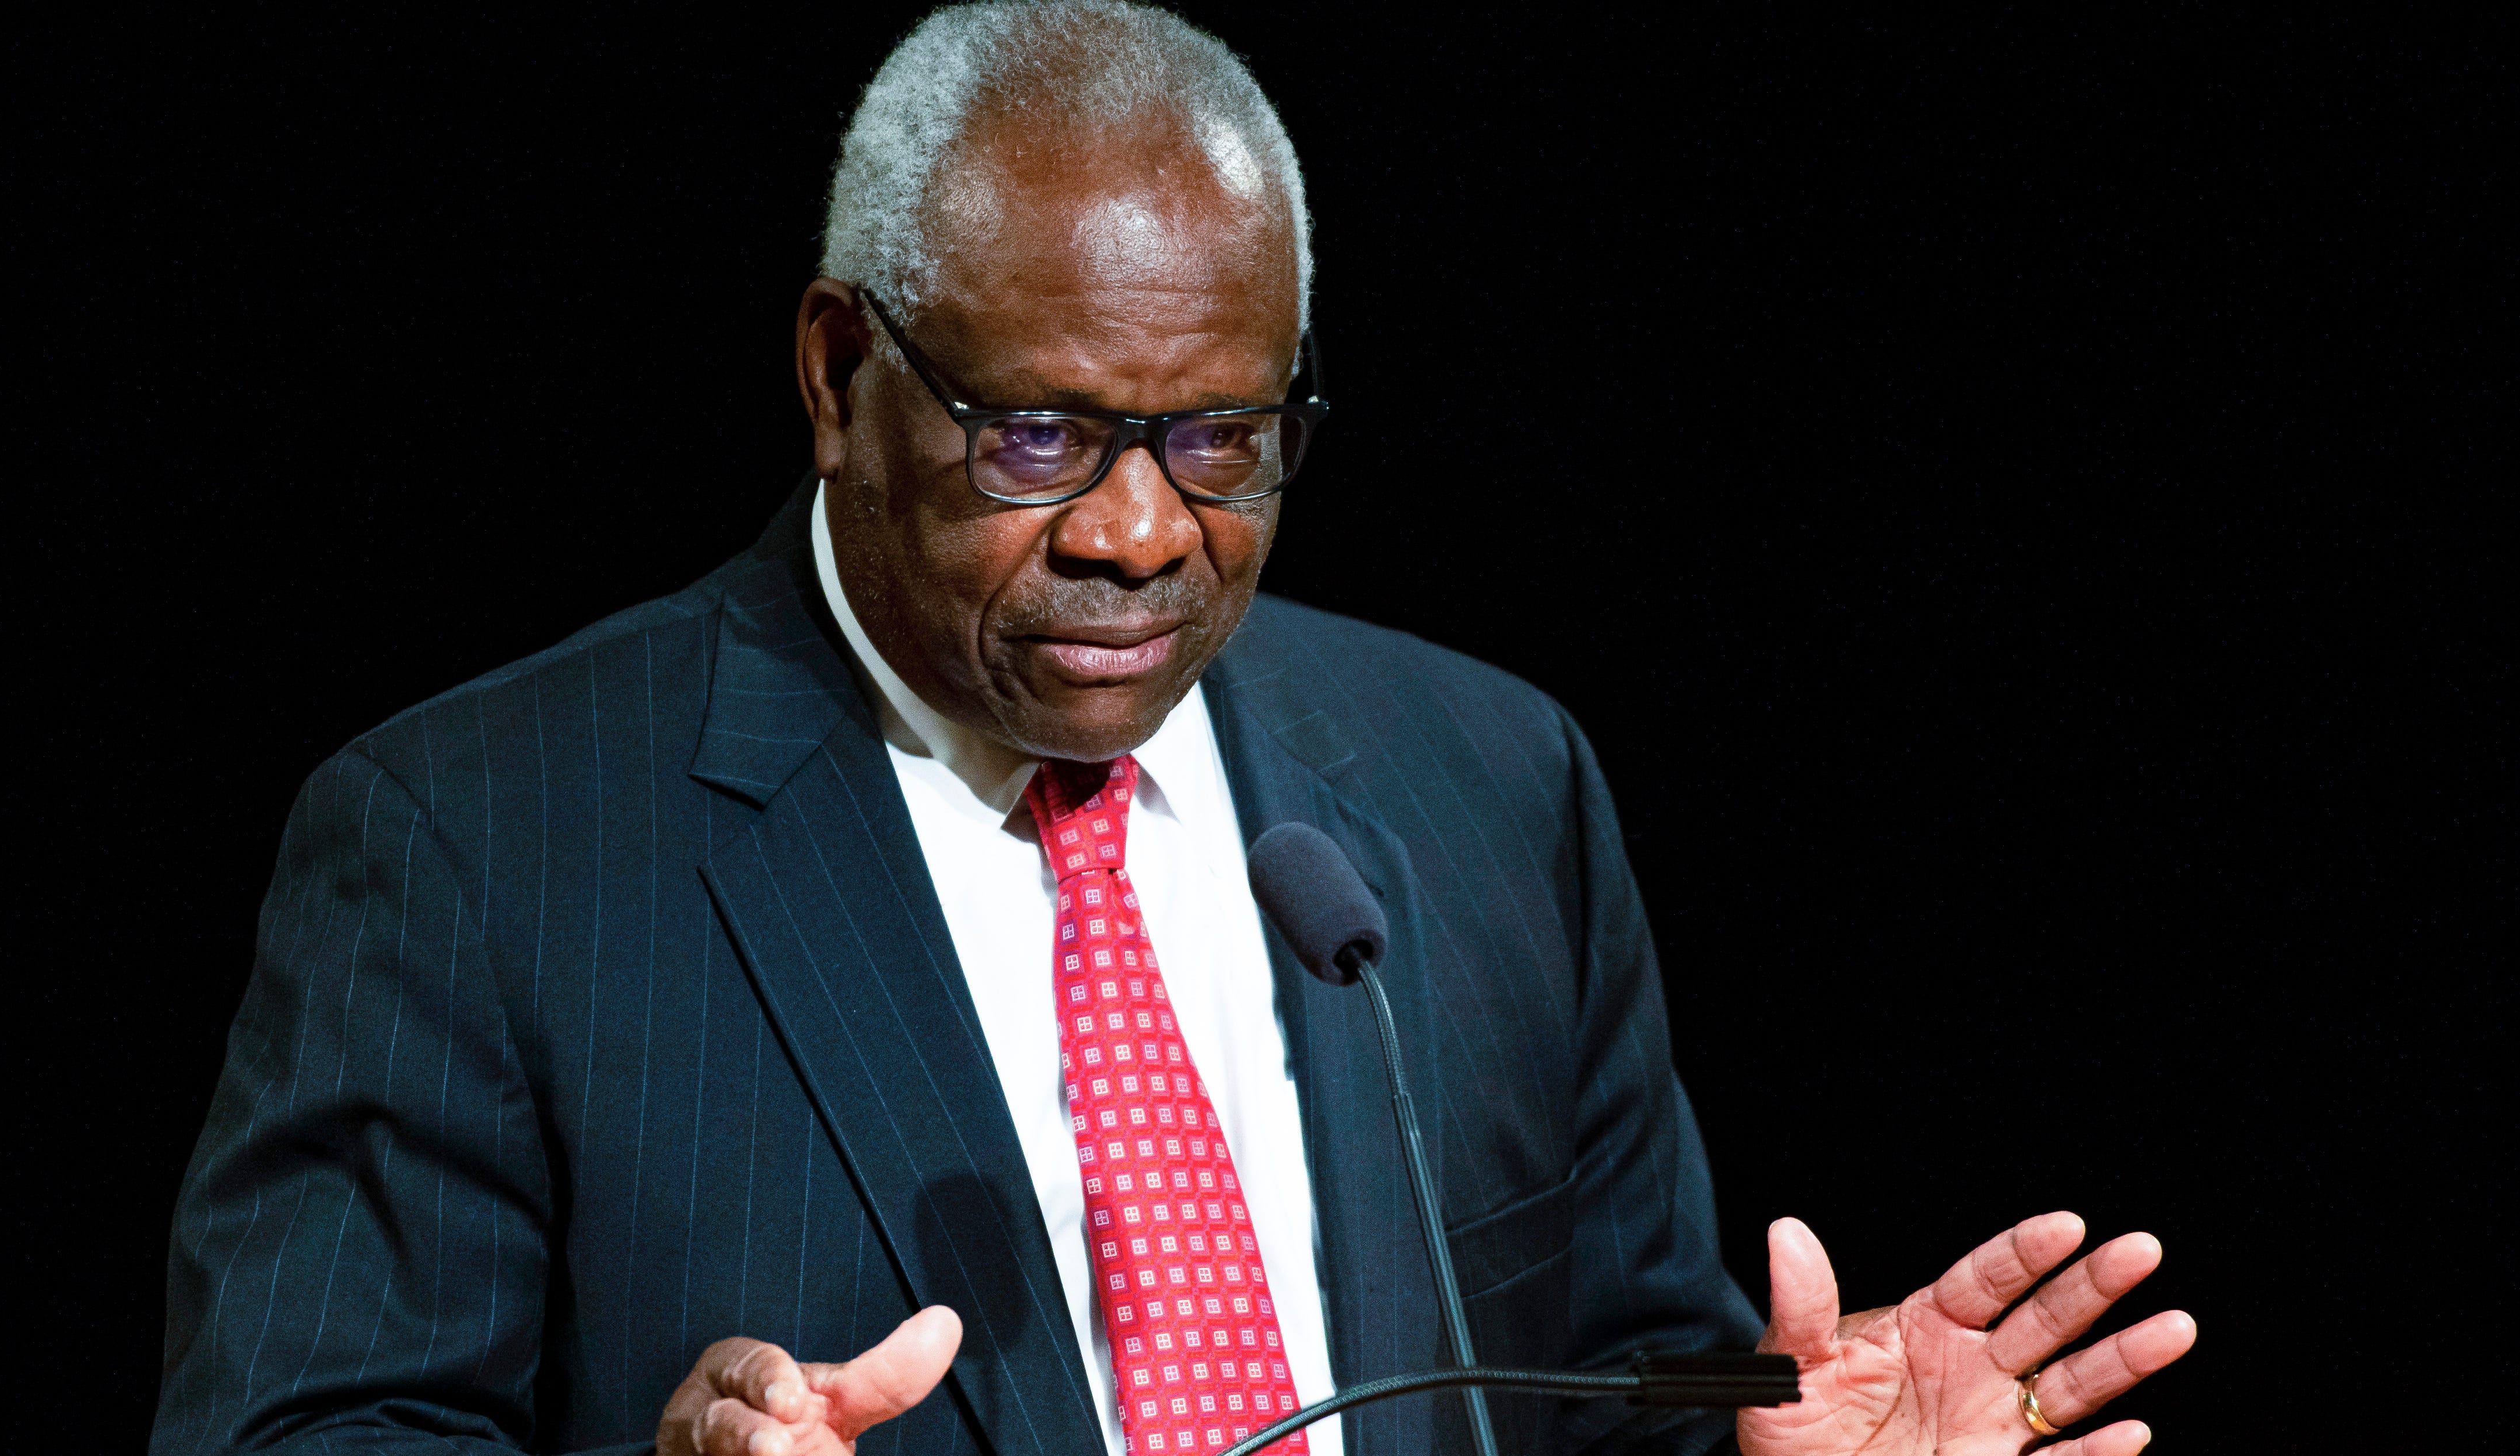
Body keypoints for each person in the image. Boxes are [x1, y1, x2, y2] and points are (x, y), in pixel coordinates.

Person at [152, 5, 2195, 1454]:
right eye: (1039, 432)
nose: (1140, 532)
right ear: (838, 363)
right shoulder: (472, 838)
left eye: (1220, 436)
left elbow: (1602, 1389)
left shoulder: (1487, 784)